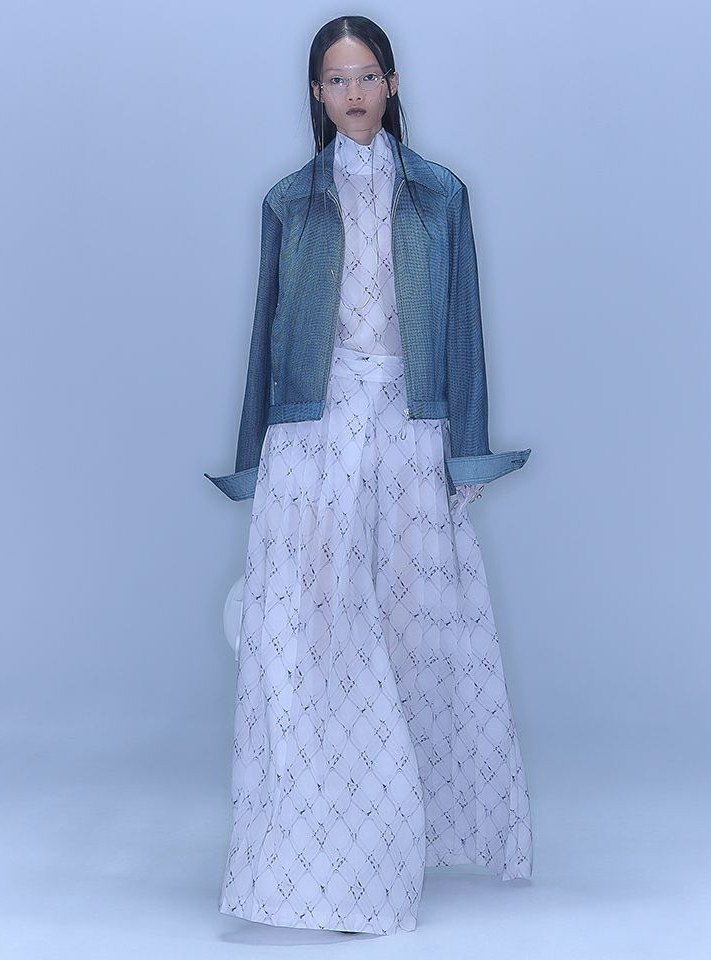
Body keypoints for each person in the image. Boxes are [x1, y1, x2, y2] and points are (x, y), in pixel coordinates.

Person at [205, 15, 533, 936]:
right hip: (313, 435)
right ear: (316, 94)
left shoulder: (440, 195)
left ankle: (386, 846)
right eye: (336, 80)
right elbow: (268, 336)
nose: (353, 94)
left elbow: (462, 329)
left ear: (392, 83)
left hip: (407, 427)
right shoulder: (289, 202)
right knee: (309, 636)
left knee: (406, 631)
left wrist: (464, 449)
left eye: (367, 76)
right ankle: (314, 860)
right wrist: (256, 455)